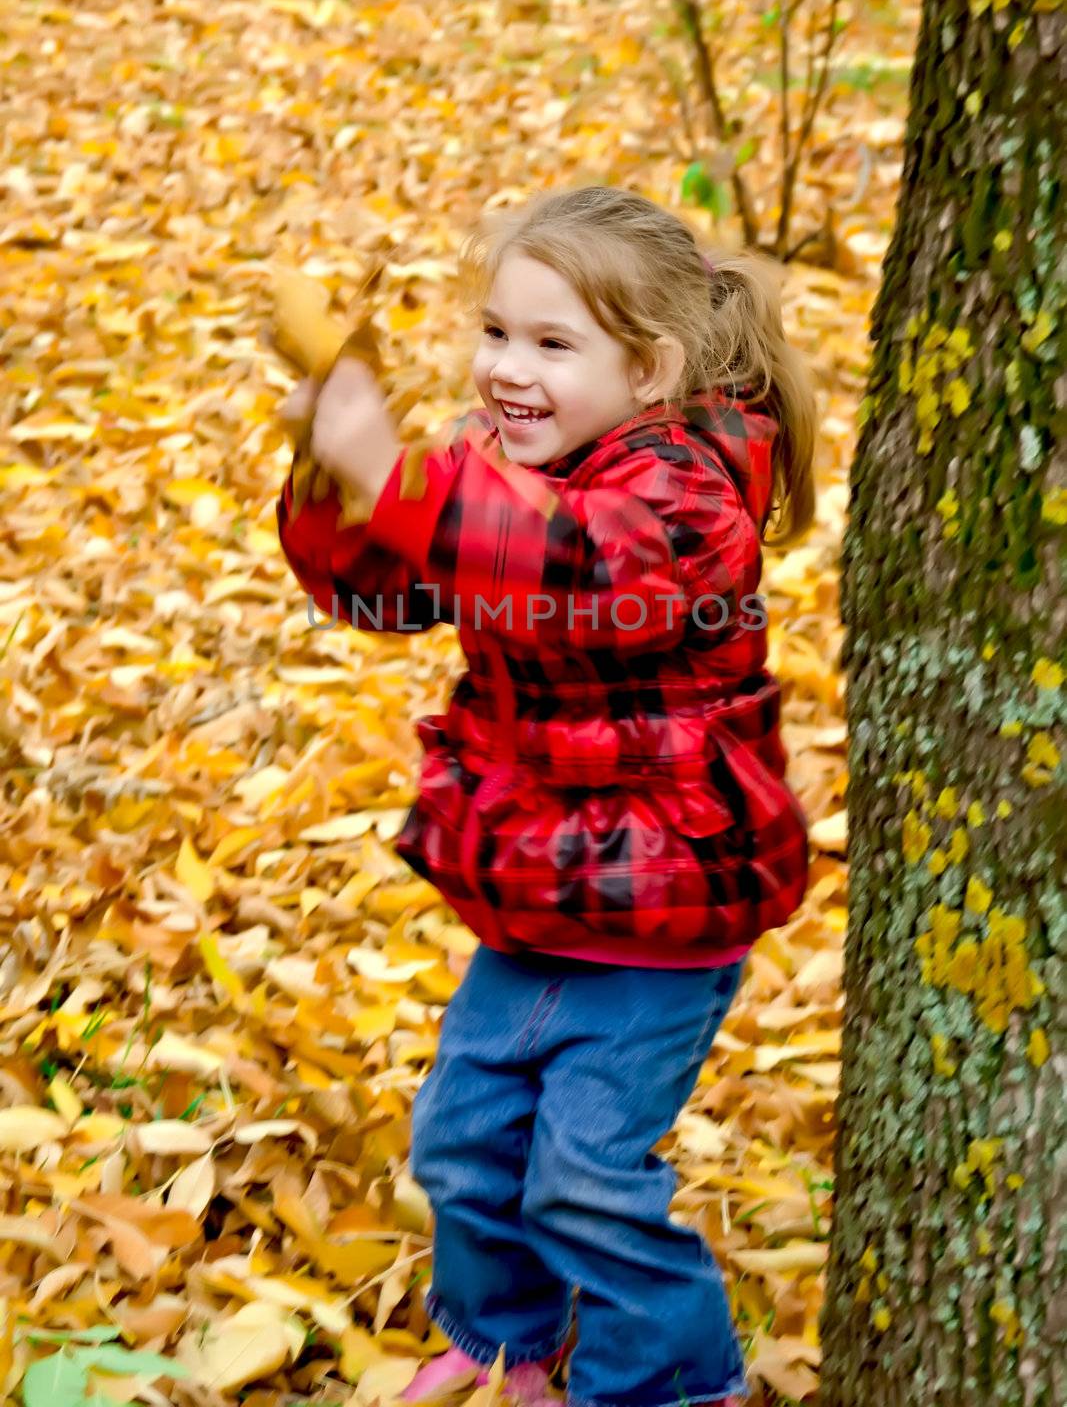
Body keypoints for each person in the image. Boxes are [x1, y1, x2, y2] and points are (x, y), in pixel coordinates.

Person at [276, 185, 818, 1407]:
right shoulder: (498, 480)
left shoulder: (684, 497)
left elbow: (575, 568)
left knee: (585, 1171)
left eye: (552, 343)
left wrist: (402, 482)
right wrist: (337, 488)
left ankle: (668, 1383)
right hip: (537, 889)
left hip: (660, 907)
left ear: (652, 368)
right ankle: (510, 1339)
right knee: (462, 1145)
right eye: (496, 333)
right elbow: (389, 595)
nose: (507, 369)